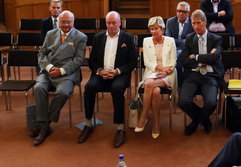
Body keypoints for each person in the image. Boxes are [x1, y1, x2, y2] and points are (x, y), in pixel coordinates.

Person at [78, 11, 137, 148]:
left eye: (114, 23)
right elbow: (92, 61)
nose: (111, 26)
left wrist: (117, 71)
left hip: (120, 74)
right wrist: (100, 71)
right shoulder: (98, 38)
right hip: (101, 73)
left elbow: (133, 61)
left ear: (119, 23)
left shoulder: (128, 38)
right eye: (109, 23)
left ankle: (120, 128)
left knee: (116, 89)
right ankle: (88, 124)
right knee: (89, 88)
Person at [31, 10, 86, 146]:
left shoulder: (81, 37)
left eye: (69, 22)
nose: (66, 24)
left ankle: (44, 124)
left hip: (67, 73)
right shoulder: (50, 34)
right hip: (48, 70)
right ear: (58, 22)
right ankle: (45, 125)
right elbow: (41, 54)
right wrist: (49, 68)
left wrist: (61, 71)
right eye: (63, 22)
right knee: (38, 87)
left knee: (62, 93)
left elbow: (78, 60)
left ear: (73, 22)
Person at [178, 9, 223, 135]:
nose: (196, 26)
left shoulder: (216, 39)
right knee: (183, 102)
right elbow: (184, 60)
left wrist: (196, 57)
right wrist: (206, 58)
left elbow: (215, 57)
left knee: (211, 103)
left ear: (205, 22)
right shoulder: (189, 38)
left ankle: (195, 122)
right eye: (193, 23)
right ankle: (203, 120)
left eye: (198, 23)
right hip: (193, 74)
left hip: (210, 75)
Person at [134, 16, 177, 139]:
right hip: (152, 72)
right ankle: (157, 123)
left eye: (156, 28)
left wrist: (166, 71)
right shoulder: (147, 41)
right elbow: (147, 62)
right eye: (151, 29)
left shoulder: (170, 41)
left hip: (169, 73)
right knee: (156, 92)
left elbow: (173, 61)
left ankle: (143, 116)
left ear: (162, 29)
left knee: (148, 85)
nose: (153, 31)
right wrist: (160, 69)